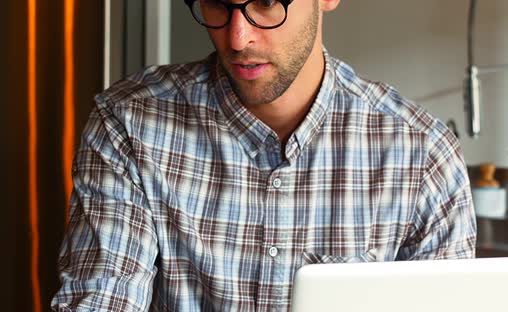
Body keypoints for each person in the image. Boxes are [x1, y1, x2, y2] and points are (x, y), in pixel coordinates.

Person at [52, 0, 476, 311]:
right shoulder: (130, 125)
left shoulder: (422, 156)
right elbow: (101, 300)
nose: (238, 38)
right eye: (218, 4)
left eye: (268, 3)